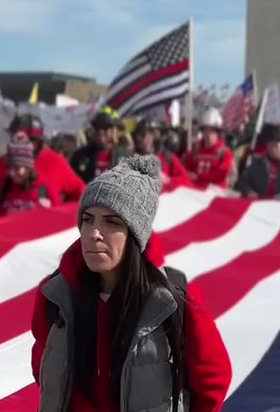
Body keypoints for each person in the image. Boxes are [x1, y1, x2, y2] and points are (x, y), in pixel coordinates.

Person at [30, 155, 232, 411]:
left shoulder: (173, 300)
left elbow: (213, 380)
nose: (94, 233)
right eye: (88, 219)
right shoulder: (55, 295)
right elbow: (44, 367)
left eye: (112, 221)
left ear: (135, 234)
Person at [0, 113, 84, 205]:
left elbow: (82, 194)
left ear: (38, 142)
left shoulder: (54, 162)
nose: (19, 143)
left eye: (25, 139)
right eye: (15, 139)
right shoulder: (2, 164)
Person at [0, 133, 53, 218]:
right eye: (9, 168)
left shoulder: (42, 188)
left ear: (28, 168)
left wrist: (49, 207)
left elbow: (58, 216)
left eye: (17, 168)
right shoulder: (2, 189)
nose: (12, 173)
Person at [237, 129, 280, 200]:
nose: (274, 149)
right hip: (260, 203)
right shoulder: (256, 165)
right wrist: (249, 192)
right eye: (271, 145)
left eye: (276, 145)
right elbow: (244, 182)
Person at [70, 110, 132, 183]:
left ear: (116, 131)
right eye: (97, 128)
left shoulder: (126, 157)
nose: (101, 131)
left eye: (106, 128)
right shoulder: (80, 156)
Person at [183, 109, 235, 189]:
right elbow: (185, 168)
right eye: (205, 131)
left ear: (218, 133)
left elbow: (221, 175)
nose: (208, 135)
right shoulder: (196, 150)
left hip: (215, 194)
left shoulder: (225, 153)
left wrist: (198, 176)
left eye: (211, 131)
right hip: (195, 193)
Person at [132, 119, 190, 191]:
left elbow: (186, 180)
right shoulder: (133, 161)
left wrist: (168, 181)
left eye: (143, 135)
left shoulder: (167, 157)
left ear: (153, 135)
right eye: (138, 136)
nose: (141, 140)